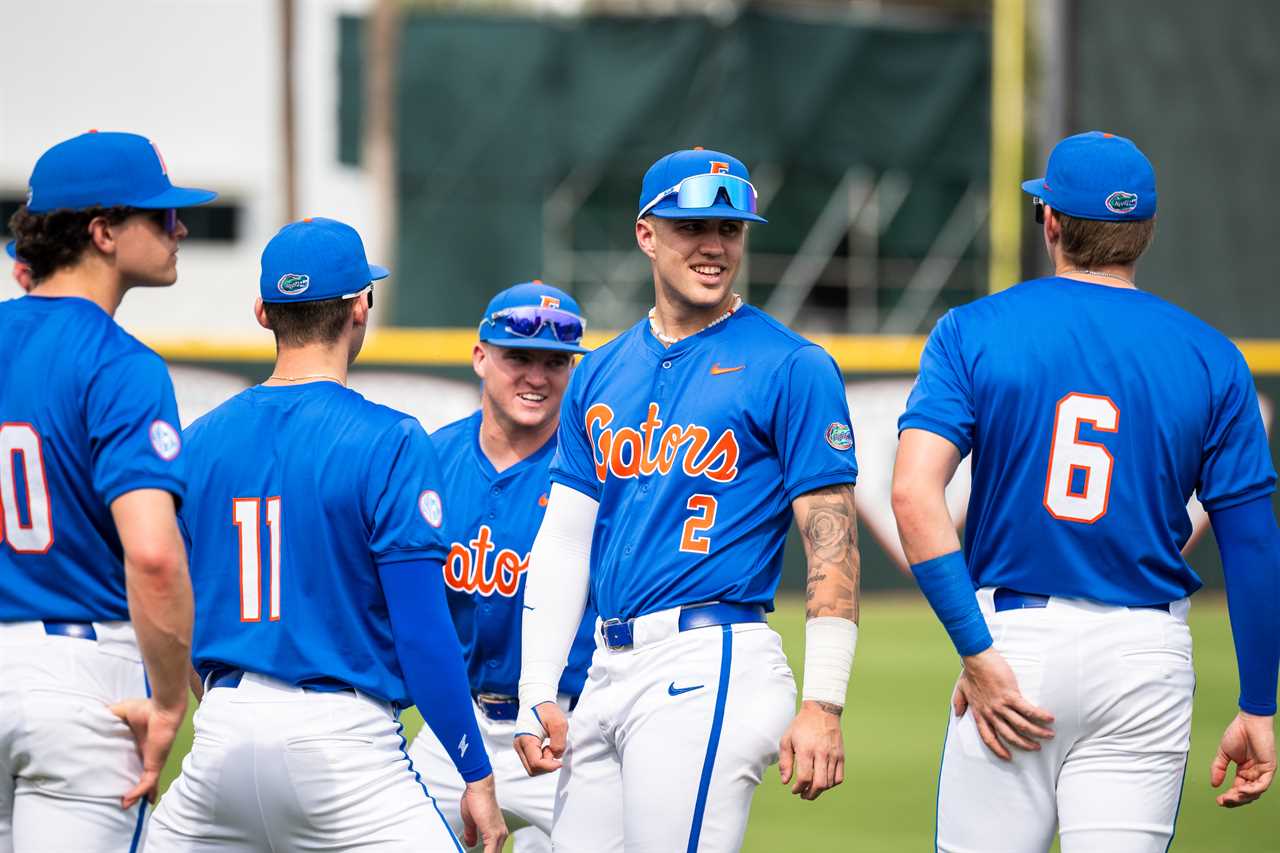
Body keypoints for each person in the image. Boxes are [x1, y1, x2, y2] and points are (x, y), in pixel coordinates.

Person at [892, 130, 1279, 852]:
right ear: (1146, 231)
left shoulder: (973, 330)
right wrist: (1259, 701)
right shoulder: (1213, 358)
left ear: (1050, 222)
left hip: (1016, 644)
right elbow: (1253, 540)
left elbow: (915, 494)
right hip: (1145, 656)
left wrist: (976, 650)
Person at [515, 148, 862, 851]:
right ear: (647, 233)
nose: (714, 245)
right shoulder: (601, 371)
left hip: (711, 658)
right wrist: (537, 689)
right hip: (607, 669)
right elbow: (565, 541)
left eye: (730, 228)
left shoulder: (791, 364)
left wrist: (824, 699)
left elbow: (832, 542)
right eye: (693, 225)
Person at [146, 217, 508, 852]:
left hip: (221, 738)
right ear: (359, 307)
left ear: (263, 311)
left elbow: (169, 600)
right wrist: (474, 771)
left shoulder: (197, 440)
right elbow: (425, 636)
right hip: (343, 743)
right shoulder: (390, 439)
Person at [0, 130, 212, 850]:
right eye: (159, 216)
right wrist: (167, 697)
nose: (178, 228)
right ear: (102, 232)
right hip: (82, 677)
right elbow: (153, 554)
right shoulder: (121, 364)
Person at [407, 280, 599, 852]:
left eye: (556, 362)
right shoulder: (429, 460)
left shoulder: (595, 472)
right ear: (480, 357)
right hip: (454, 725)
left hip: (566, 725)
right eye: (518, 357)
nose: (536, 377)